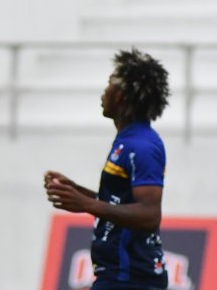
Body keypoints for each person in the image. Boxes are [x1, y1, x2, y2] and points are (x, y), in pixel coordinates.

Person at [45, 48, 171, 290]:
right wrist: (77, 191)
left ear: (121, 96)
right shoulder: (127, 139)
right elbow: (119, 203)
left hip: (132, 278)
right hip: (117, 275)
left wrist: (86, 204)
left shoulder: (141, 146)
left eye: (109, 85)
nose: (104, 91)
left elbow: (149, 214)